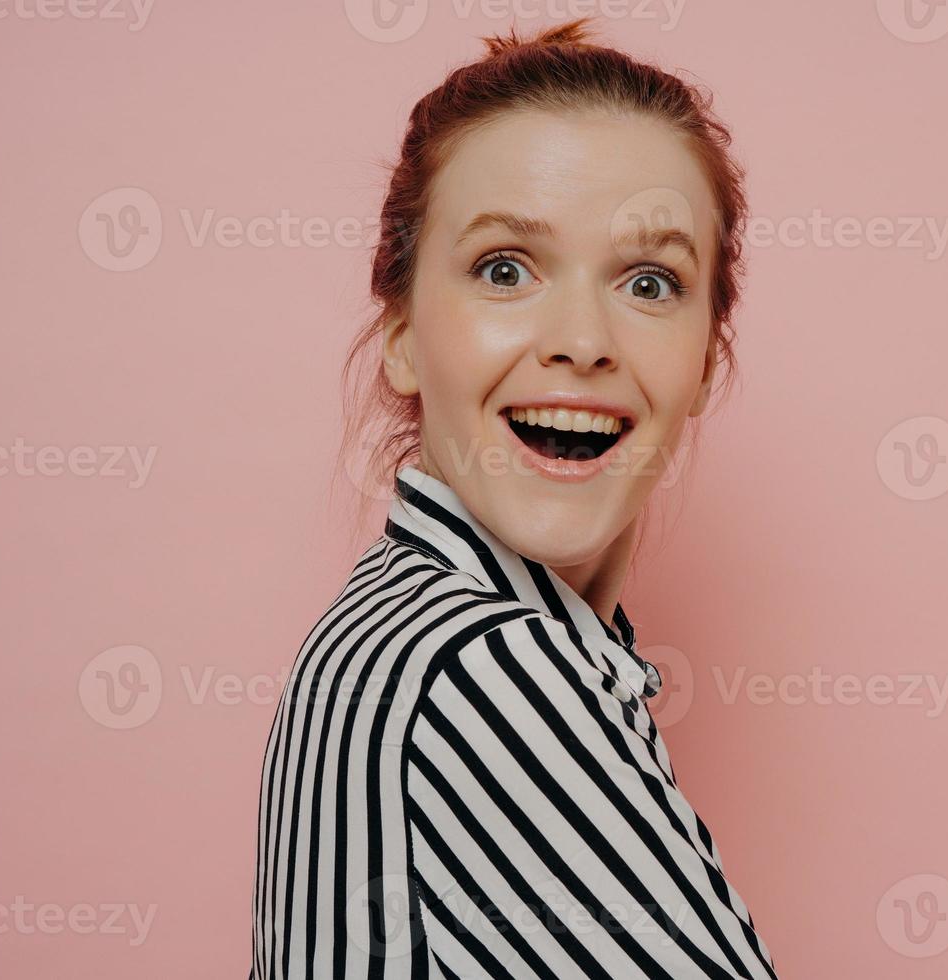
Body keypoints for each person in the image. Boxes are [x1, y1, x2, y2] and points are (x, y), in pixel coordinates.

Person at [250, 18, 779, 979]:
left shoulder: (386, 627)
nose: (582, 339)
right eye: (505, 270)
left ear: (707, 360)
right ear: (403, 334)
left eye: (650, 281)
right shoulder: (488, 669)